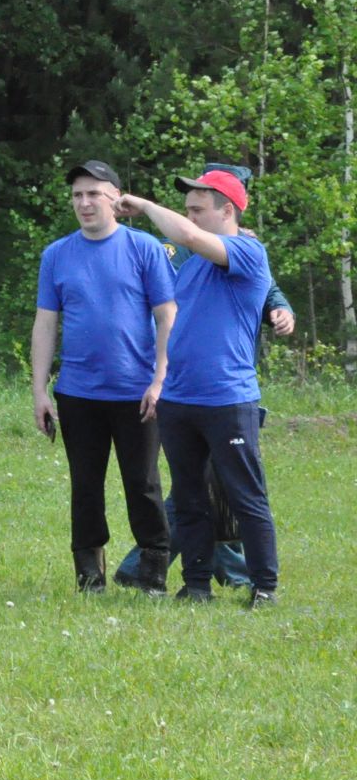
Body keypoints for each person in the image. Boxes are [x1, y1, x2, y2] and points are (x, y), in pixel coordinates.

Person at [112, 161, 293, 592]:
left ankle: (263, 587)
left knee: (246, 499)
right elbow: (177, 253)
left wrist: (144, 203)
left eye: (198, 209)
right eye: (187, 210)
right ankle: (195, 588)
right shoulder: (191, 265)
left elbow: (189, 236)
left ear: (226, 210)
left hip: (227, 399)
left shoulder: (250, 253)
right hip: (179, 399)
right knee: (191, 500)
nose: (190, 217)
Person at [30, 160, 177, 593]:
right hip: (78, 392)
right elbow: (45, 324)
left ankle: (152, 572)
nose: (84, 202)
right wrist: (39, 389)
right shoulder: (56, 255)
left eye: (94, 193)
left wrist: (159, 379)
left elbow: (168, 317)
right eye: (77, 195)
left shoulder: (145, 248)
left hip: (137, 392)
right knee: (86, 484)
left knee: (143, 482)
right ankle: (89, 575)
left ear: (116, 197)